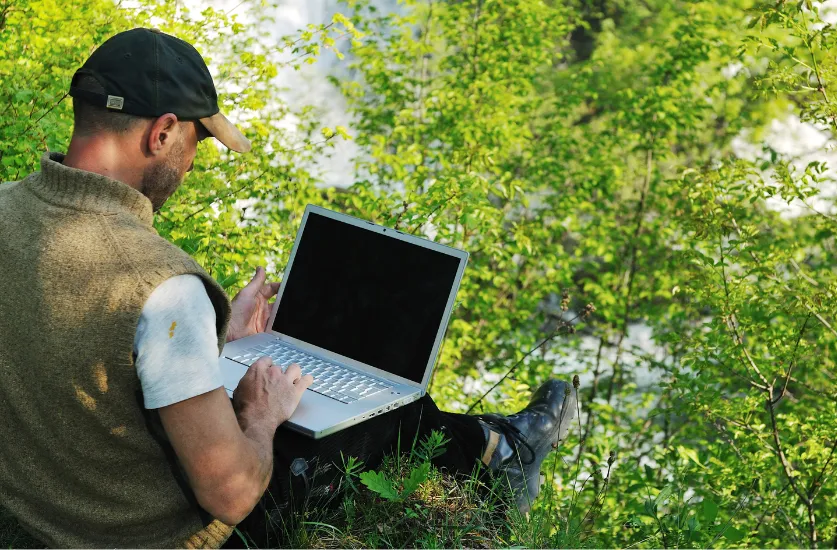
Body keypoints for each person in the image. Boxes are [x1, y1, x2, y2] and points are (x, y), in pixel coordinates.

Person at [0, 28, 577, 548]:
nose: (192, 163)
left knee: (367, 394)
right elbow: (231, 496)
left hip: (40, 506)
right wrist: (260, 416)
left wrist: (213, 341)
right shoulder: (162, 287)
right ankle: (502, 452)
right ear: (163, 133)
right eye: (197, 142)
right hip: (144, 532)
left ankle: (499, 447)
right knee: (378, 411)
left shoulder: (7, 213)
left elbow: (86, 355)